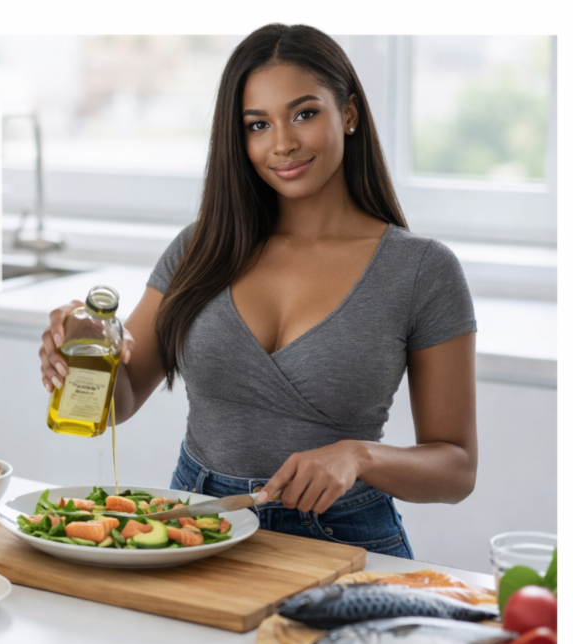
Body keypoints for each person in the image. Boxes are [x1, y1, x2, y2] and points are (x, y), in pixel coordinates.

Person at [37, 24, 478, 559]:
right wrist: (83, 345)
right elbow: (119, 401)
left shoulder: (422, 270)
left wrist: (359, 456)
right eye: (258, 124)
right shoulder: (199, 248)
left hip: (344, 536)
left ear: (349, 113)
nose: (282, 143)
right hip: (198, 525)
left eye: (304, 114)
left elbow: (457, 469)